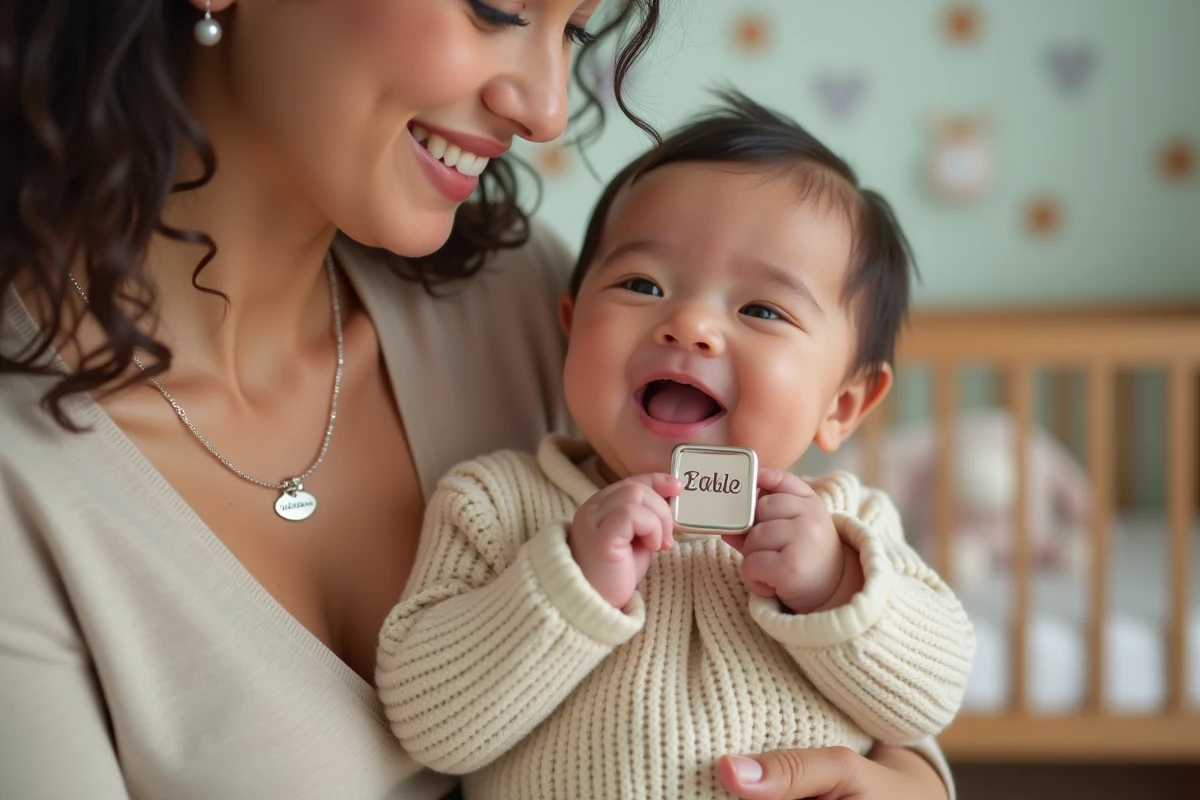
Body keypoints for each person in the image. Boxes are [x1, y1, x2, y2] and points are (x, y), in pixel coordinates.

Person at [0, 2, 957, 798]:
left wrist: (908, 775)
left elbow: (891, 712)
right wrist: (569, 587)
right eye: (497, 6)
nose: (546, 109)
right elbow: (440, 712)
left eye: (573, 31)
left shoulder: (512, 300)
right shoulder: (526, 456)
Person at [375, 92, 975, 799]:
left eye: (761, 309)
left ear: (842, 404)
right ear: (572, 326)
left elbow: (932, 699)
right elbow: (428, 727)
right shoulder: (495, 505)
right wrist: (571, 583)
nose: (689, 324)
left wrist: (831, 586)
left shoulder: (850, 528)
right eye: (642, 283)